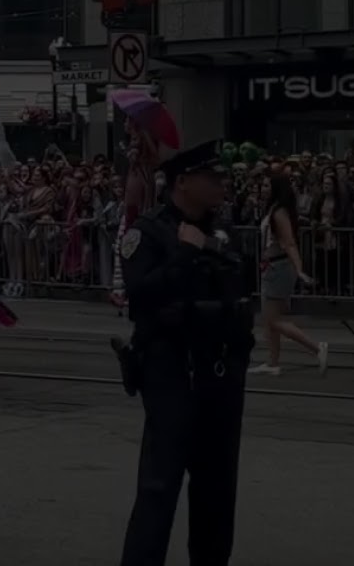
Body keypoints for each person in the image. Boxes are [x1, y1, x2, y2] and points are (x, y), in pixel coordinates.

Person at [115, 140, 256, 566]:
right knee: (159, 490)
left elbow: (243, 291)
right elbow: (140, 297)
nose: (222, 185)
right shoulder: (151, 231)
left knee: (217, 495)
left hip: (221, 377)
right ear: (182, 183)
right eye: (212, 178)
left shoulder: (222, 230)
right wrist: (185, 252)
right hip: (172, 373)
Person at [249, 174, 325, 377]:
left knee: (273, 320)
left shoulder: (279, 212)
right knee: (270, 319)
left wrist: (299, 269)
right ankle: (273, 362)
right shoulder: (274, 209)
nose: (262, 188)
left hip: (279, 268)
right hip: (272, 266)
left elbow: (289, 242)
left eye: (266, 184)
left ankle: (316, 347)